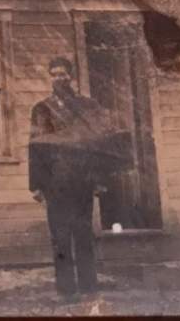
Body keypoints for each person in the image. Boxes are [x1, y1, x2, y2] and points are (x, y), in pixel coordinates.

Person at [29, 56, 130, 301]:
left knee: (84, 234)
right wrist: (36, 184)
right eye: (54, 74)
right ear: (50, 78)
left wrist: (99, 179)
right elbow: (35, 147)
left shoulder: (88, 106)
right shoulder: (42, 109)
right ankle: (66, 290)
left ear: (71, 76)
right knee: (60, 237)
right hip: (55, 182)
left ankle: (89, 288)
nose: (59, 78)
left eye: (63, 74)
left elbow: (99, 144)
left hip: (83, 179)